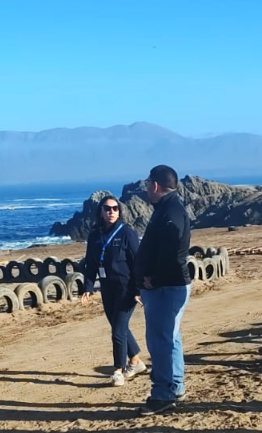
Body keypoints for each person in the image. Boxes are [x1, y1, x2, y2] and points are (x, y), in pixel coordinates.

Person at [134, 164, 191, 416]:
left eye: (147, 183)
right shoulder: (168, 208)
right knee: (170, 338)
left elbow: (171, 249)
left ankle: (163, 394)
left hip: (166, 287)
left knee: (160, 341)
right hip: (169, 285)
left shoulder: (170, 212)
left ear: (155, 185)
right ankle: (174, 386)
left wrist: (153, 277)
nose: (146, 188)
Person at [80, 195, 147, 386]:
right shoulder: (94, 236)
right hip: (107, 288)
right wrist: (88, 287)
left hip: (126, 289)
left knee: (118, 330)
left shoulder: (127, 233)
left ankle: (118, 370)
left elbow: (138, 263)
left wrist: (138, 289)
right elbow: (91, 264)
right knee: (119, 327)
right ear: (101, 211)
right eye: (107, 208)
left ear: (119, 211)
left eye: (115, 208)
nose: (111, 212)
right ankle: (136, 362)